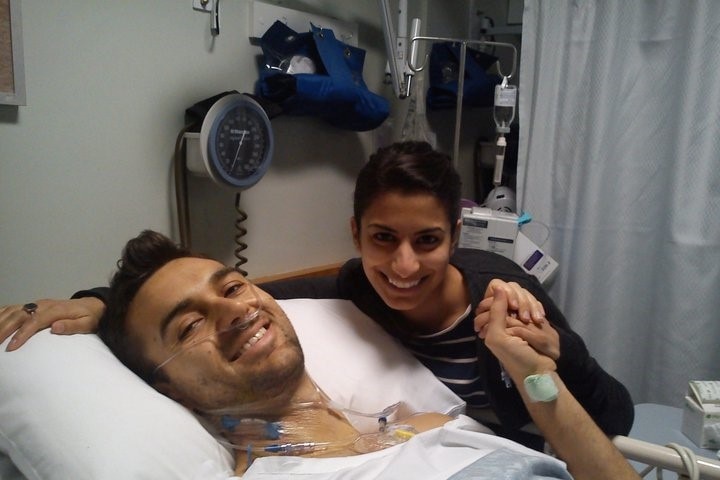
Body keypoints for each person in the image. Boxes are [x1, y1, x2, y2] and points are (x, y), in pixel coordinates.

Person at [0, 141, 634, 448]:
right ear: (355, 233)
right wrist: (105, 303)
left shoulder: (506, 294)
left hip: (536, 445)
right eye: (383, 238)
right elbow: (239, 296)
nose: (404, 265)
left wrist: (558, 361)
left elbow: (616, 419)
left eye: (428, 240)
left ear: (455, 234)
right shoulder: (354, 287)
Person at [95, 230, 641, 478]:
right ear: (166, 386)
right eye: (190, 324)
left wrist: (533, 375)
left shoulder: (421, 422)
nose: (233, 311)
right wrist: (95, 305)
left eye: (234, 287)